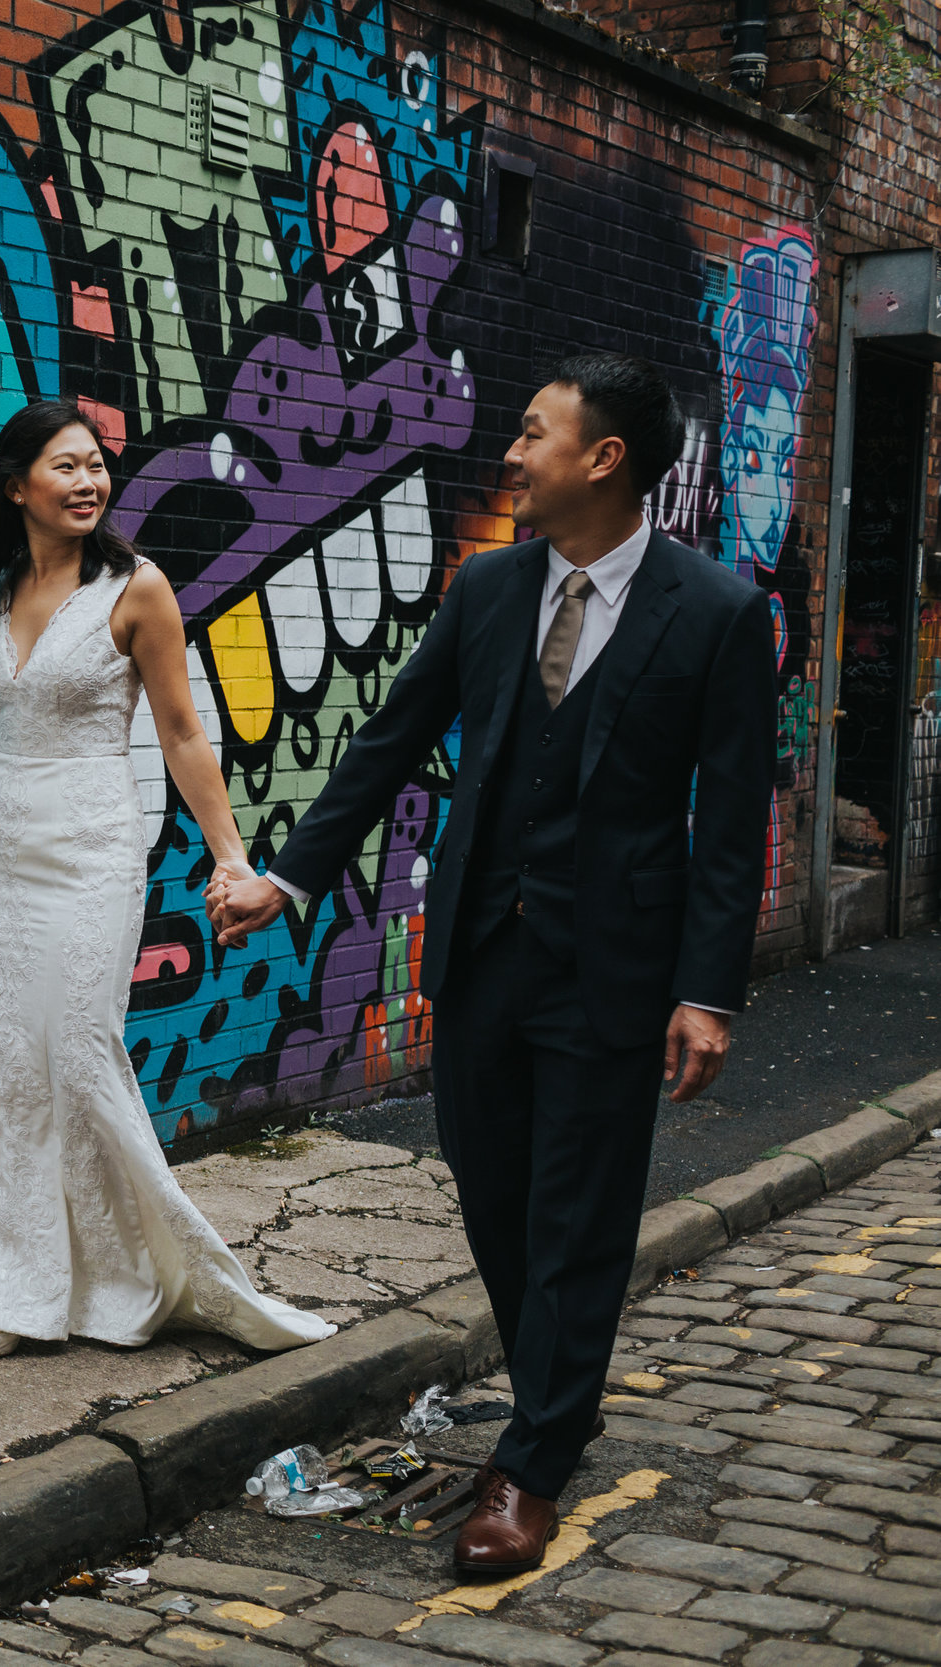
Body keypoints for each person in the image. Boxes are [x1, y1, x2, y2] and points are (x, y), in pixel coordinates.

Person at [214, 353, 775, 1576]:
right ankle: (556, 1392)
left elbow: (731, 821)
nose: (511, 454)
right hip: (481, 949)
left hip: (615, 966)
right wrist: (290, 875)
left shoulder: (719, 612)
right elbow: (385, 742)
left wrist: (706, 988)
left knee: (578, 1212)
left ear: (603, 458)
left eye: (533, 433)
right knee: (491, 1190)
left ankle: (532, 1459)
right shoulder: (487, 588)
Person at [0, 399, 337, 1361]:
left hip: (91, 849)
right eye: (65, 467)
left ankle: (134, 1274)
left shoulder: (138, 589)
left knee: (79, 1051)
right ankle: (0, 1284)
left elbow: (180, 731)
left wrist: (230, 853)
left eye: (96, 465)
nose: (89, 482)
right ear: (15, 485)